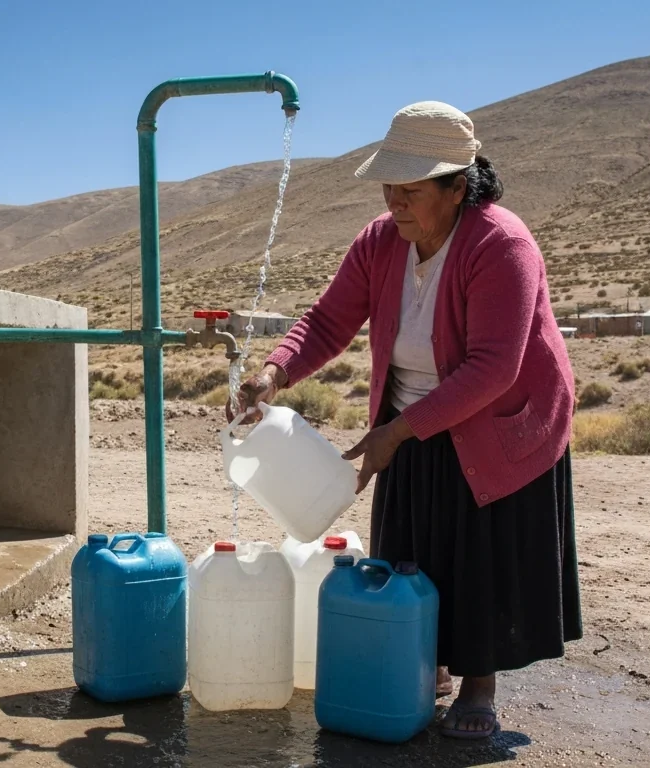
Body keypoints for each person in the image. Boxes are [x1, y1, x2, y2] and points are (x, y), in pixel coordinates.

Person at [227, 101, 581, 739]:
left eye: (411, 189)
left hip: (498, 422)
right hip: (414, 414)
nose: (395, 201)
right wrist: (272, 374)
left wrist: (395, 432)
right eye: (389, 185)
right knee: (414, 553)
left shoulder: (501, 243)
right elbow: (328, 320)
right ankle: (425, 662)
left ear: (457, 186)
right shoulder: (380, 242)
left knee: (479, 552)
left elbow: (495, 368)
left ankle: (479, 687)